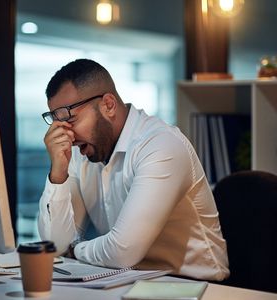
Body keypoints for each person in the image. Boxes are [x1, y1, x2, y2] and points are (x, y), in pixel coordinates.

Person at [37, 58, 229, 281]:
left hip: (195, 285)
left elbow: (122, 251)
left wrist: (76, 249)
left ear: (108, 105)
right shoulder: (81, 151)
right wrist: (58, 174)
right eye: (58, 125)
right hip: (129, 280)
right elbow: (55, 245)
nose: (66, 135)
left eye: (71, 120)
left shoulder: (160, 145)